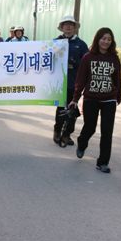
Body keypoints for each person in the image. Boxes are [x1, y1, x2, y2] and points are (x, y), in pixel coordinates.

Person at [70, 27, 121, 173]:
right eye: (103, 38)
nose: (106, 41)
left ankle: (103, 162)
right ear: (98, 39)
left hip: (109, 99)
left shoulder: (114, 58)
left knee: (107, 131)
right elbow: (81, 79)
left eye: (109, 39)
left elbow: (117, 78)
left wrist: (118, 94)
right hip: (91, 98)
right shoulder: (88, 57)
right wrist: (75, 98)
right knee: (90, 127)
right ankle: (82, 142)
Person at [53, 15, 88, 146]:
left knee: (72, 109)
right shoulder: (55, 42)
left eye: (71, 24)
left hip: (75, 82)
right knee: (61, 108)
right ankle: (57, 131)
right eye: (65, 24)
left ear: (74, 27)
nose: (68, 27)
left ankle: (67, 134)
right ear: (61, 27)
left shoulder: (81, 44)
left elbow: (86, 63)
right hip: (59, 83)